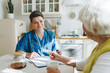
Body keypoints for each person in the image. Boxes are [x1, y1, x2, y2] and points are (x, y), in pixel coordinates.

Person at [47, 0, 110, 73]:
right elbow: (82, 64)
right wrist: (59, 58)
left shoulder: (107, 55)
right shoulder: (102, 45)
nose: (82, 26)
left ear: (95, 26)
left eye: (84, 23)